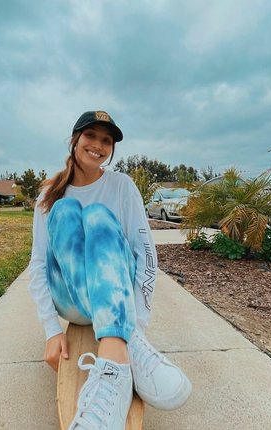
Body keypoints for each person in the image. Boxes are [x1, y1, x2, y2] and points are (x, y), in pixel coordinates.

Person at [28, 111, 192, 429]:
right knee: (66, 211)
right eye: (91, 136)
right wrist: (51, 330)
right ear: (75, 140)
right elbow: (38, 263)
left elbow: (145, 254)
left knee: (98, 217)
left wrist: (137, 324)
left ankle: (116, 362)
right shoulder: (49, 195)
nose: (98, 145)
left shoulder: (121, 185)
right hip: (71, 299)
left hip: (115, 291)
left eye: (107, 141)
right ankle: (123, 343)